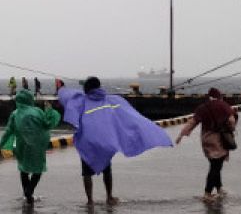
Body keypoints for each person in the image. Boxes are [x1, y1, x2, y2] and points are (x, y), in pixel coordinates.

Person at [59, 77, 173, 205]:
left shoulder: (80, 101)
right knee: (107, 170)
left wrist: (61, 88)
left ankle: (90, 200)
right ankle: (109, 197)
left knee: (86, 173)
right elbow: (130, 115)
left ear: (86, 88)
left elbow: (67, 98)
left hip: (88, 142)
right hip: (105, 141)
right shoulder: (111, 100)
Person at [1, 89, 61, 205]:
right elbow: (48, 123)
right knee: (38, 168)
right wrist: (49, 110)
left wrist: (1, 144)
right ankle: (30, 190)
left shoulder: (15, 113)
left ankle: (27, 194)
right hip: (37, 144)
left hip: (21, 145)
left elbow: (8, 130)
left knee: (23, 169)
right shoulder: (38, 111)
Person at [176, 88, 239, 200]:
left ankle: (219, 188)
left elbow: (192, 122)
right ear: (219, 96)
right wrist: (231, 129)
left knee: (215, 163)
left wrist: (181, 135)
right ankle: (207, 193)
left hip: (206, 138)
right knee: (215, 167)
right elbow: (231, 120)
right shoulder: (223, 105)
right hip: (218, 139)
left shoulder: (202, 107)